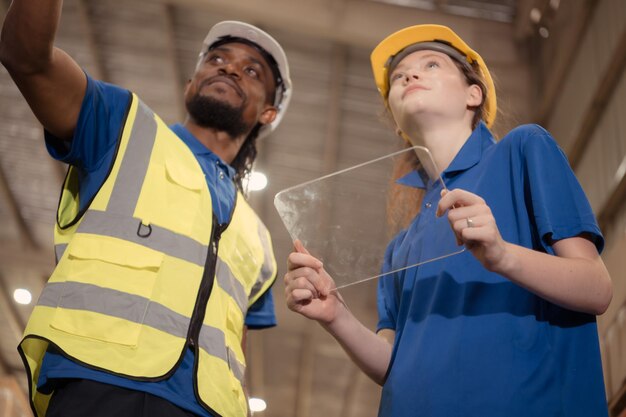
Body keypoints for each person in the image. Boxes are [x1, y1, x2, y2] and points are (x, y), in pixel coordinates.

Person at [284, 24, 613, 416]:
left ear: (474, 94)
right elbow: (393, 363)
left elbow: (597, 288)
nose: (409, 75)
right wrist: (335, 314)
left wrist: (503, 256)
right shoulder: (400, 246)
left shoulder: (524, 151)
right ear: (395, 119)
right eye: (399, 77)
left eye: (431, 64)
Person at [0, 1, 291, 416]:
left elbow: (233, 347)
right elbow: (26, 58)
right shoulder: (124, 126)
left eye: (251, 71)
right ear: (191, 83)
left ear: (268, 112)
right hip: (99, 383)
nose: (228, 68)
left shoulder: (260, 240)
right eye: (217, 59)